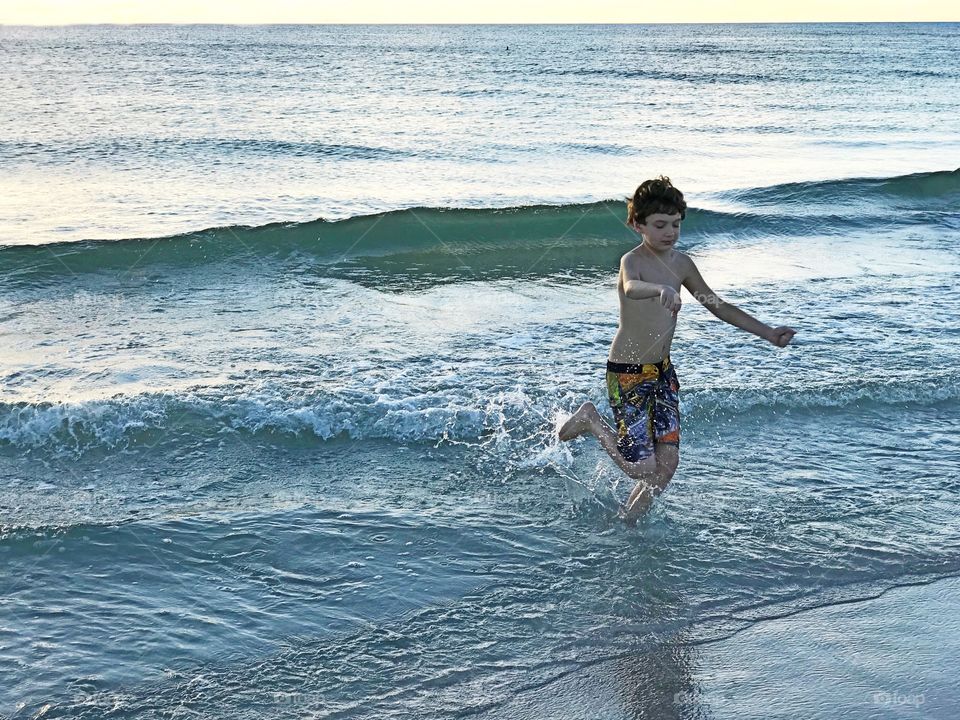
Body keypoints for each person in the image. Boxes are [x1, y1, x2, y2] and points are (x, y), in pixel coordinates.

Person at [558, 176, 796, 524]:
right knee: (641, 467)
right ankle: (591, 419)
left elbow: (718, 305)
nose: (669, 232)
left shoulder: (682, 264)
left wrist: (768, 333)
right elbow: (632, 286)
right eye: (659, 225)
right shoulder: (632, 261)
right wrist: (660, 290)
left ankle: (629, 520)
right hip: (628, 373)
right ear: (637, 224)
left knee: (666, 466)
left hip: (663, 373)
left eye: (675, 224)